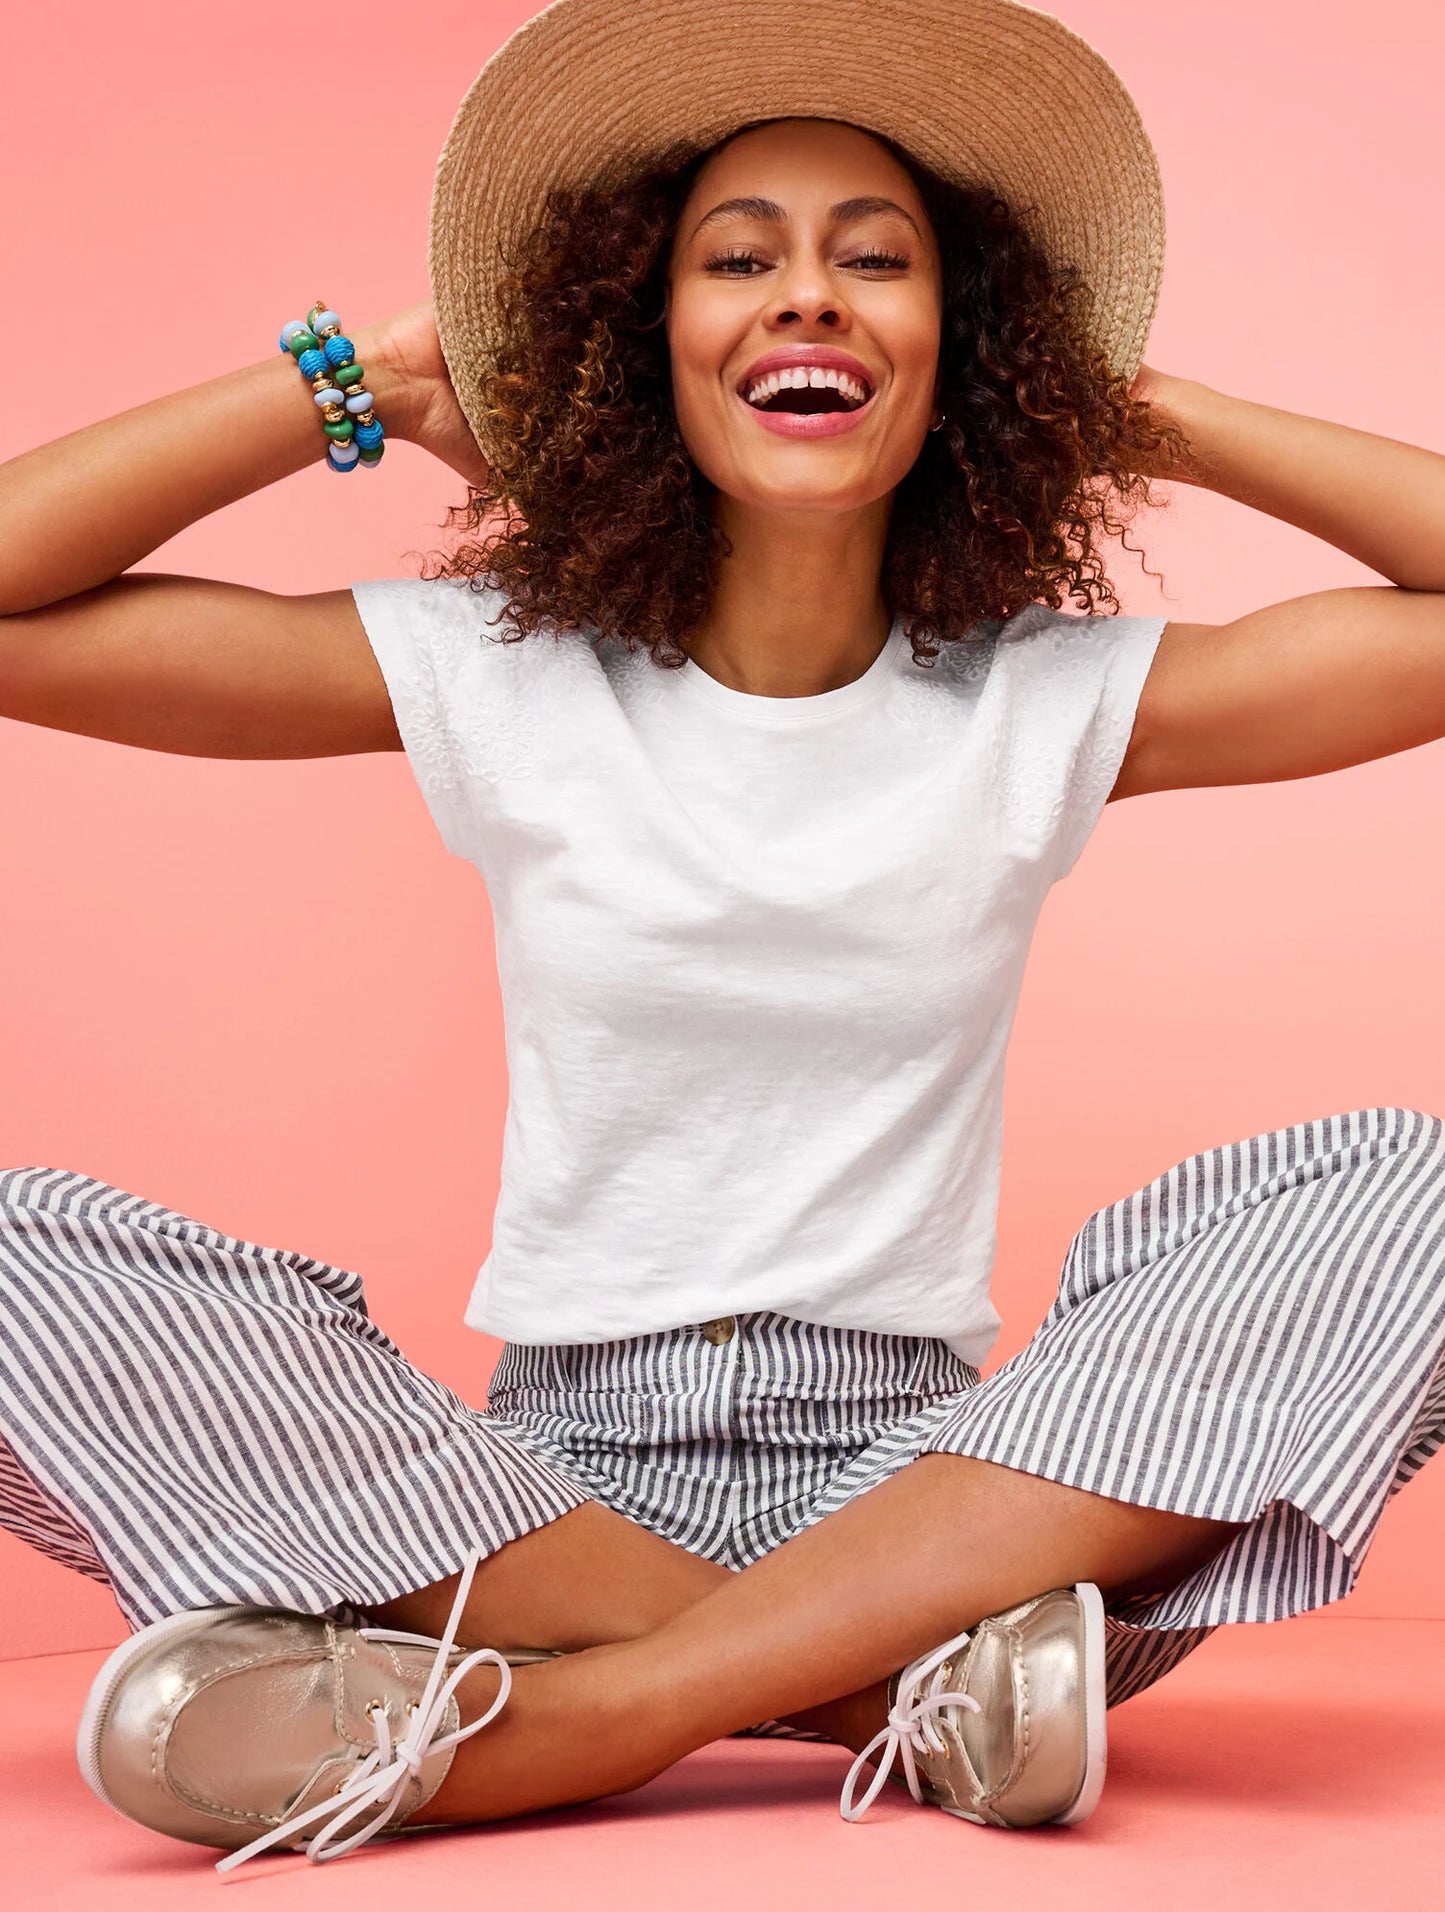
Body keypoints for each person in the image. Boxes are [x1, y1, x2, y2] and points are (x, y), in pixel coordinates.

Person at [3, 0, 1444, 1875]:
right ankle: (878, 1692)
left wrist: (1110, 395)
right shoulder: (497, 677)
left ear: (957, 349)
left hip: (960, 1485)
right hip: (533, 1497)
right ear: (647, 340)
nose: (810, 299)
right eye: (739, 258)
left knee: (1404, 1187)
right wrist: (355, 377)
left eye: (878, 264)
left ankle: (587, 1712)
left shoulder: (1044, 701)